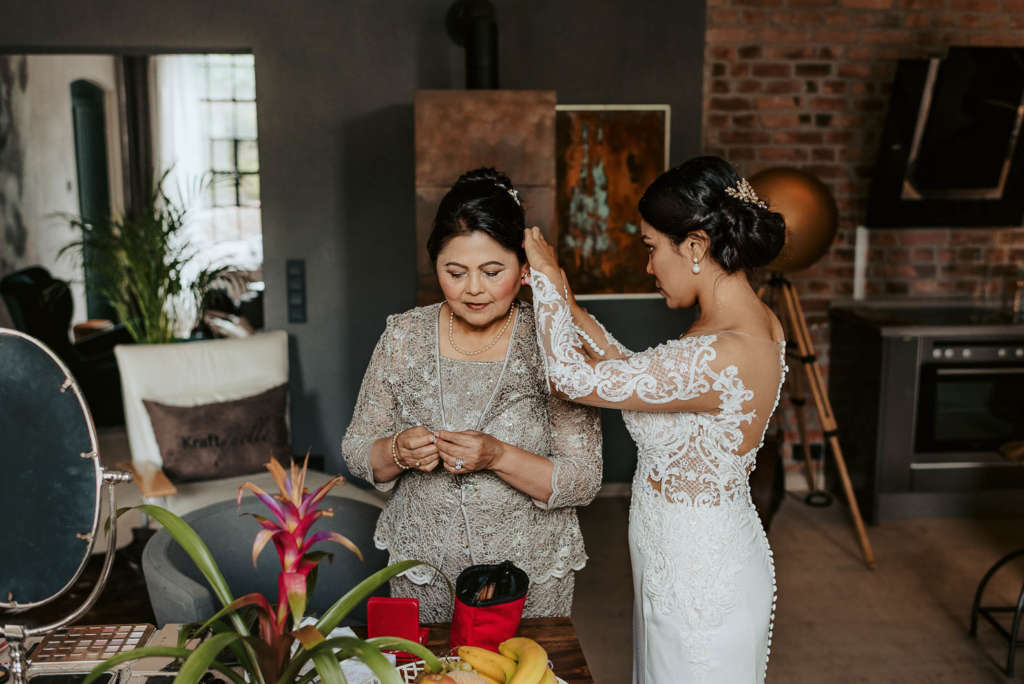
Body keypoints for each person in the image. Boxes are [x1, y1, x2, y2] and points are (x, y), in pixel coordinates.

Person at [524, 156, 788, 683]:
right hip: (683, 563)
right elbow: (636, 376)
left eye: (651, 248)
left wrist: (550, 282)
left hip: (698, 585)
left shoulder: (722, 352)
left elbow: (570, 380)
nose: (649, 267)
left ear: (694, 246)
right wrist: (570, 307)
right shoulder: (744, 327)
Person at [342, 168, 603, 622]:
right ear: (435, 266)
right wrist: (397, 451)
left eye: (492, 271)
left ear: (524, 269)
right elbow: (357, 449)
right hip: (422, 570)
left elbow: (583, 478)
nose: (474, 289)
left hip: (532, 574)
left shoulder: (551, 343)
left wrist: (498, 456)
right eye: (455, 272)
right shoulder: (403, 335)